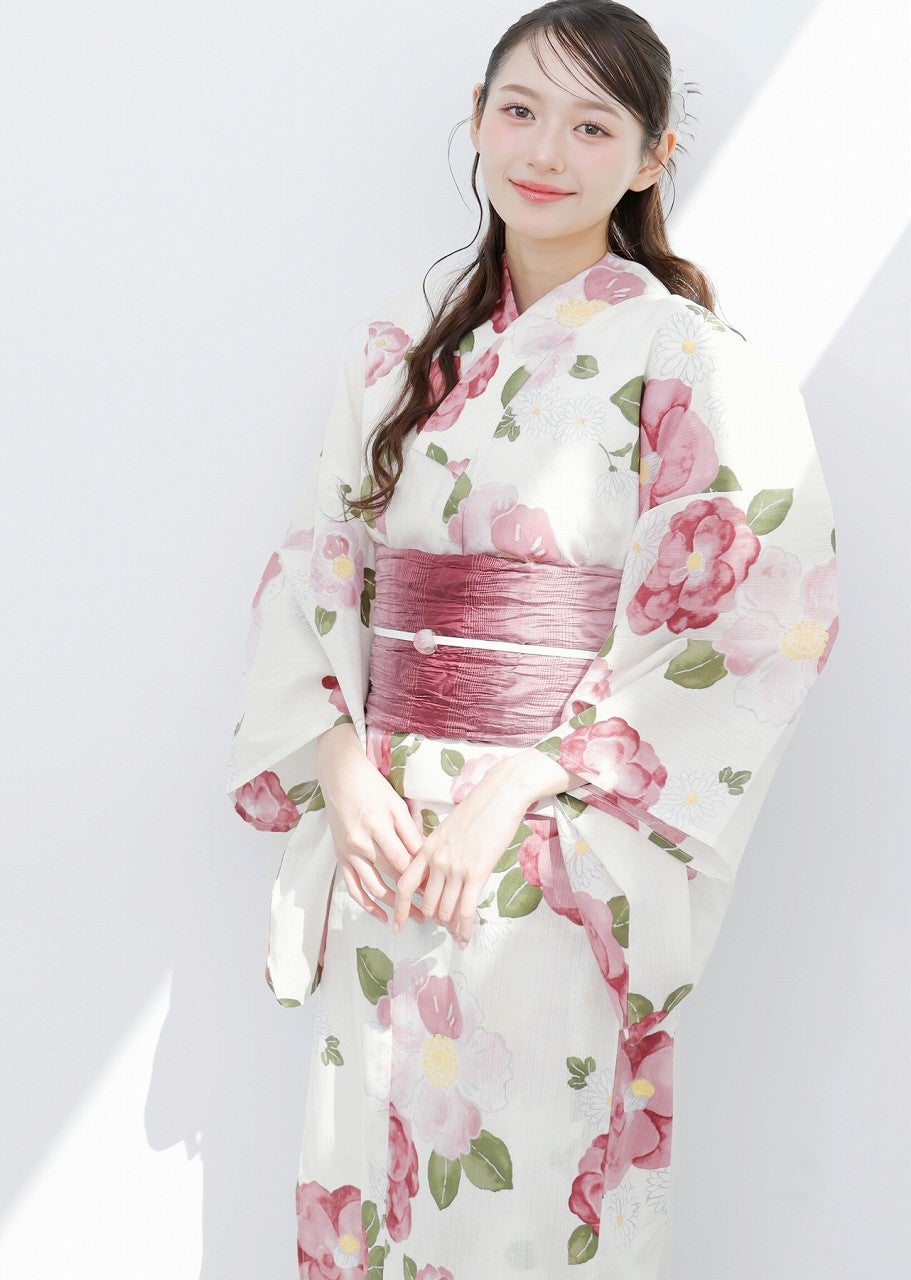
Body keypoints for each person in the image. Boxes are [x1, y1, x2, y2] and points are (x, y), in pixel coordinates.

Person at [226, 2, 840, 1276]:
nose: (546, 150)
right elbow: (317, 564)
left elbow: (755, 612)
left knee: (526, 1196)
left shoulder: (686, 357)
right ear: (476, 116)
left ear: (654, 155)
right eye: (519, 109)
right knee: (369, 1177)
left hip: (555, 847)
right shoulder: (400, 345)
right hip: (384, 836)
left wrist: (527, 781)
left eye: (592, 125)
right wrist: (338, 762)